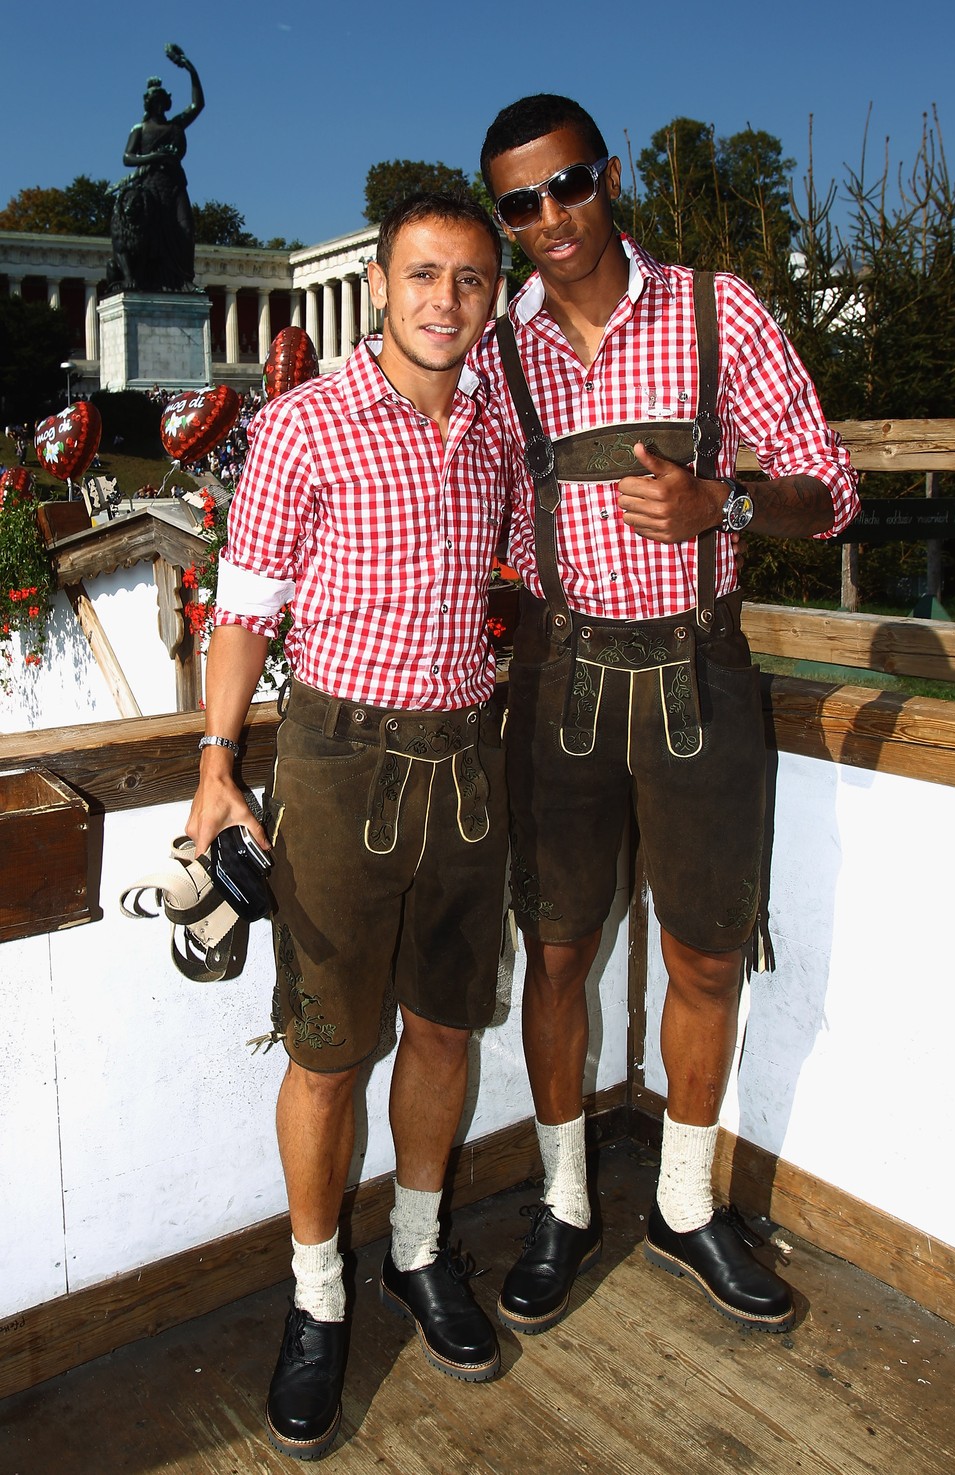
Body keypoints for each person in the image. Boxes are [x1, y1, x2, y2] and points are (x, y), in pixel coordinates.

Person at [476, 96, 860, 1338]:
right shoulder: (499, 348)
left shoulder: (716, 308)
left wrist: (724, 504)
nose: (549, 220)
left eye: (568, 185)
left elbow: (830, 490)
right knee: (560, 950)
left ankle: (686, 1207)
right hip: (555, 682)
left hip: (702, 671)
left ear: (611, 175)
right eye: (519, 203)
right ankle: (567, 1199)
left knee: (703, 951)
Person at [186, 193, 518, 1461]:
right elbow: (244, 610)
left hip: (467, 765)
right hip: (336, 762)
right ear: (380, 284)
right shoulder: (305, 424)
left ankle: (419, 1253)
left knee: (444, 1025)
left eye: (471, 279)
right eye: (424, 275)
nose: (447, 299)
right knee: (328, 1050)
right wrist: (217, 764)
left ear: (491, 296)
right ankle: (317, 1293)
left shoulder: (495, 425)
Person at [108, 43, 203, 292]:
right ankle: (151, 279)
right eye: (155, 102)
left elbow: (198, 105)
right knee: (151, 238)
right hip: (149, 188)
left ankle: (183, 280)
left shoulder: (176, 126)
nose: (159, 106)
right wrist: (154, 157)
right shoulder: (140, 129)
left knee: (186, 229)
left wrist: (189, 68)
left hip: (174, 184)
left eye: (163, 101)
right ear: (149, 104)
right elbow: (127, 158)